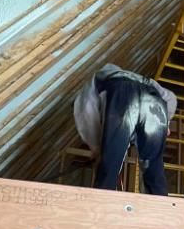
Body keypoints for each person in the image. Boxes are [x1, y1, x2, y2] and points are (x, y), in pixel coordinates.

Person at [74, 64, 177, 196]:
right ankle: (160, 201)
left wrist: (96, 147)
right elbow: (171, 98)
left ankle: (102, 199)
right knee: (153, 163)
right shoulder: (148, 81)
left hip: (122, 93)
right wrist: (164, 122)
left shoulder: (98, 80)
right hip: (154, 99)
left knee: (111, 159)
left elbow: (86, 112)